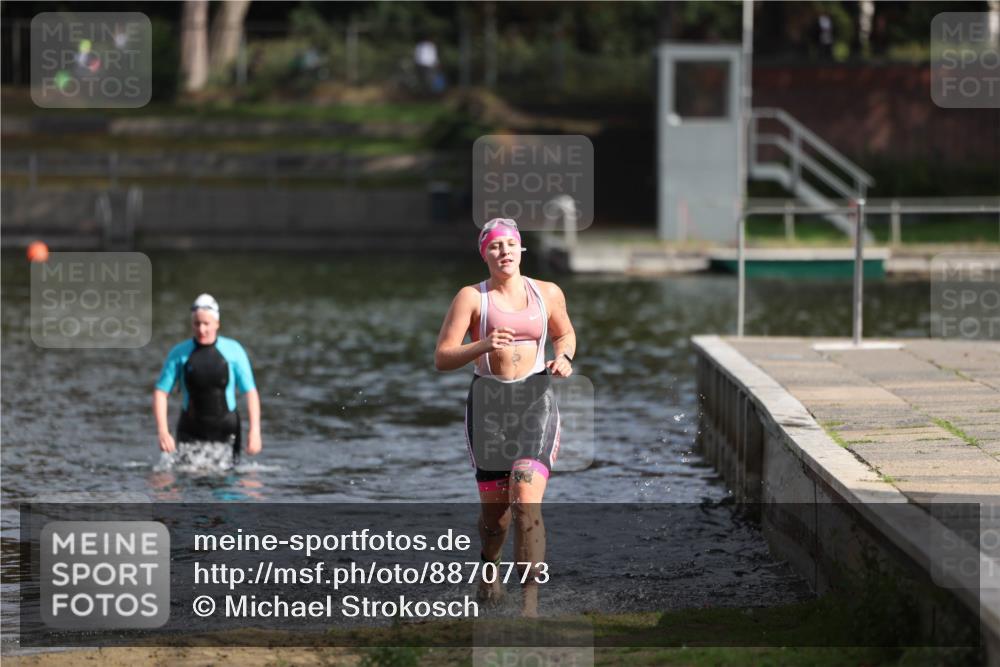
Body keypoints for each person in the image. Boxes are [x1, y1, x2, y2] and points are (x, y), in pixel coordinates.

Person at [435, 218, 576, 616]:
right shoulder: (471, 298)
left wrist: (563, 357)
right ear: (485, 254)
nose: (505, 252)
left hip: (535, 398)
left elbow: (565, 334)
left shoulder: (546, 292)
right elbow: (442, 357)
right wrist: (481, 344)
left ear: (521, 249)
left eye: (510, 244)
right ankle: (490, 566)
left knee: (525, 499)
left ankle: (529, 603)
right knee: (495, 517)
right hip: (488, 405)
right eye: (495, 246)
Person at [154, 294, 261, 464]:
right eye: (197, 324)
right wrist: (163, 431)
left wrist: (255, 431)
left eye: (206, 324)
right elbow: (161, 392)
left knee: (227, 483)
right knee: (187, 483)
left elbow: (250, 392)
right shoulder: (179, 353)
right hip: (190, 429)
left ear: (217, 324)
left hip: (226, 430)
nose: (201, 329)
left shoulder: (234, 351)